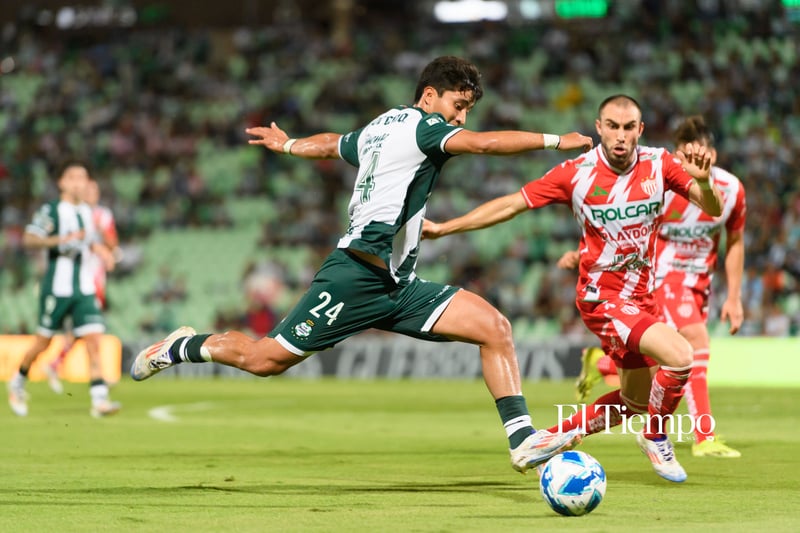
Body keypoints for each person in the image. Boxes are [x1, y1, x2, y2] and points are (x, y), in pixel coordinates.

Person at [130, 56, 594, 474]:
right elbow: (485, 144)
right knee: (263, 360)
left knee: (495, 327)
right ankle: (180, 347)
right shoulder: (423, 127)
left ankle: (522, 440)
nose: (461, 117)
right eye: (458, 104)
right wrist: (556, 140)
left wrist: (291, 145)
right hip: (353, 276)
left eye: (468, 108)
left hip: (399, 285)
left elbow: (335, 144)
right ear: (429, 95)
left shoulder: (380, 127)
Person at [422, 95, 723, 483]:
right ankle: (656, 437)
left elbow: (711, 207)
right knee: (680, 356)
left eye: (628, 127)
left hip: (641, 299)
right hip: (604, 299)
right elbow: (512, 205)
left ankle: (550, 438)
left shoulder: (659, 164)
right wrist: (446, 227)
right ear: (599, 128)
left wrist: (702, 180)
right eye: (612, 126)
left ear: (640, 130)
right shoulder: (575, 172)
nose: (620, 135)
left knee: (633, 401)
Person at [570, 115, 746, 458]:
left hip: (699, 283)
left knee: (651, 375)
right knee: (693, 341)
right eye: (681, 156)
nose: (687, 163)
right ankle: (704, 436)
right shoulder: (658, 184)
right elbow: (618, 230)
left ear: (712, 154)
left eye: (697, 154)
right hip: (657, 278)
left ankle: (603, 362)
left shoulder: (731, 189)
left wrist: (735, 297)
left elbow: (735, 240)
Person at [7, 162, 121, 418]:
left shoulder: (86, 213)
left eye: (83, 177)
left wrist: (102, 251)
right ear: (62, 183)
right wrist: (61, 240)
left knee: (93, 339)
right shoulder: (52, 210)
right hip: (56, 288)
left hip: (83, 286)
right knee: (43, 342)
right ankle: (18, 379)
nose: (79, 183)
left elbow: (89, 243)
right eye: (73, 178)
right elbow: (29, 238)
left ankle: (100, 399)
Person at [43, 178, 121, 394]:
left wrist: (101, 236)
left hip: (96, 277)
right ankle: (98, 380)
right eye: (87, 189)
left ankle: (56, 364)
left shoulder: (102, 215)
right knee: (91, 330)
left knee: (85, 331)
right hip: (78, 279)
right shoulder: (72, 214)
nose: (90, 193)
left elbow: (113, 244)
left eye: (94, 189)